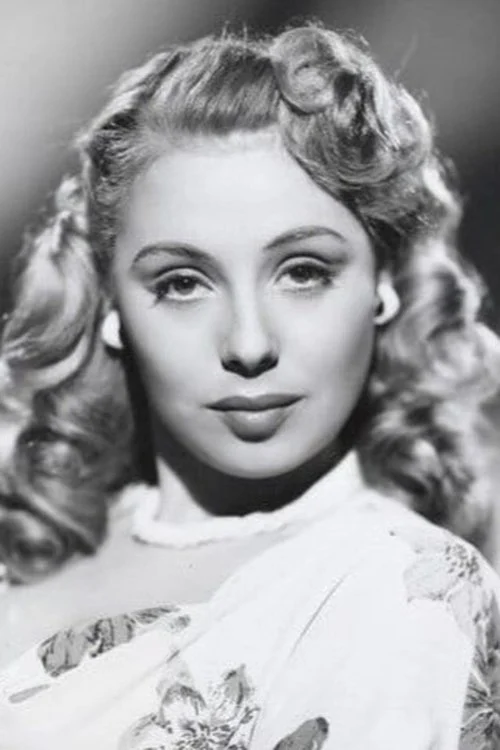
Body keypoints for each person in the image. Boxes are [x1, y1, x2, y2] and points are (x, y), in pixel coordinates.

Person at [0, 22, 499, 749]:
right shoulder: (35, 539)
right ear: (111, 307)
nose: (249, 345)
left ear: (382, 284)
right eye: (182, 283)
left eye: (304, 272)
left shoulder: (395, 584)